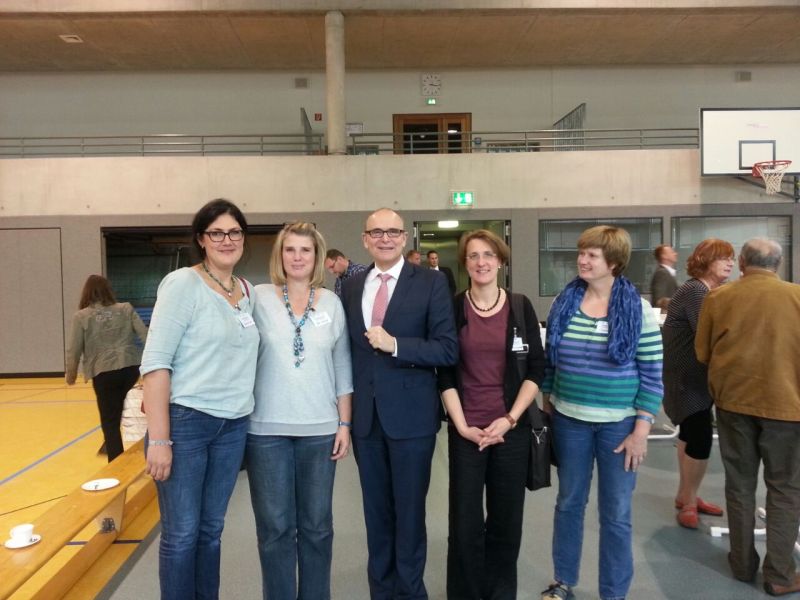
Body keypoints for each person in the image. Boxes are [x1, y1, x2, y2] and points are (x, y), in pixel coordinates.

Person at [140, 199, 259, 600]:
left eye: (234, 232)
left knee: (211, 530)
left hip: (233, 425)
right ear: (201, 239)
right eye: (217, 233)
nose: (227, 240)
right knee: (182, 533)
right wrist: (160, 439)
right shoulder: (182, 284)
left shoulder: (246, 291)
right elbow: (156, 363)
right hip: (186, 423)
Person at [340, 208, 458, 599]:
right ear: (365, 240)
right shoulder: (351, 286)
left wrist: (396, 345)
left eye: (393, 231)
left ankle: (410, 591)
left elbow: (447, 348)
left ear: (405, 238)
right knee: (376, 515)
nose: (385, 238)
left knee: (409, 515)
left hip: (411, 419)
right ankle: (382, 591)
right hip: (366, 420)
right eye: (376, 232)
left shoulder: (431, 282)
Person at [541, 225, 663, 600]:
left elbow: (652, 376)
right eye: (582, 253)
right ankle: (563, 581)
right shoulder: (564, 303)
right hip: (569, 421)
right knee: (569, 503)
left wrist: (641, 431)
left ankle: (613, 592)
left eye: (592, 255)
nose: (583, 260)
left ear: (613, 262)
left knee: (616, 513)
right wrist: (547, 405)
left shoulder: (638, 310)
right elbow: (551, 363)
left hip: (619, 427)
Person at [247, 222, 353, 600]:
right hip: (266, 432)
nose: (297, 257)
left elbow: (342, 366)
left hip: (320, 431)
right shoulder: (257, 297)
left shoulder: (332, 303)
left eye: (305, 250)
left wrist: (344, 423)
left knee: (317, 527)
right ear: (279, 255)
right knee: (274, 529)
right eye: (289, 249)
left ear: (317, 257)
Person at [438, 229, 545, 599]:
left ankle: (499, 593)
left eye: (488, 255)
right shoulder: (454, 308)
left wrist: (510, 418)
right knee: (464, 524)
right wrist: (462, 425)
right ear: (464, 263)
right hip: (466, 432)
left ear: (500, 261)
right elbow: (445, 372)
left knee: (506, 522)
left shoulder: (520, 307)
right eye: (473, 256)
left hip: (510, 431)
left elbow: (536, 369)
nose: (480, 262)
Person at [696, 238, 800, 596]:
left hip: (733, 405)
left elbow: (702, 351)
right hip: (787, 408)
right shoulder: (797, 297)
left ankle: (741, 564)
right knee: (784, 488)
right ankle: (780, 575)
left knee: (739, 484)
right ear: (779, 264)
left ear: (741, 262)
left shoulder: (718, 298)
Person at [662, 238, 734, 529]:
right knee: (700, 437)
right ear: (706, 261)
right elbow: (710, 334)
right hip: (687, 378)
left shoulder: (705, 291)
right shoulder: (697, 291)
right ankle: (689, 502)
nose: (730, 263)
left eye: (731, 258)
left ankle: (686, 495)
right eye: (723, 258)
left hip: (692, 377)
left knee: (690, 435)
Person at [65, 275, 148, 462]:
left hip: (103, 371)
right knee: (116, 406)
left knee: (109, 419)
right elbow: (144, 335)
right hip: (130, 368)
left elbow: (74, 349)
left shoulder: (81, 316)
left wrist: (71, 375)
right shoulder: (125, 308)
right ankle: (110, 443)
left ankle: (115, 461)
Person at [650, 244, 678, 310]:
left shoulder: (666, 273)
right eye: (671, 252)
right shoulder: (661, 273)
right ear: (664, 256)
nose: (675, 254)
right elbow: (659, 301)